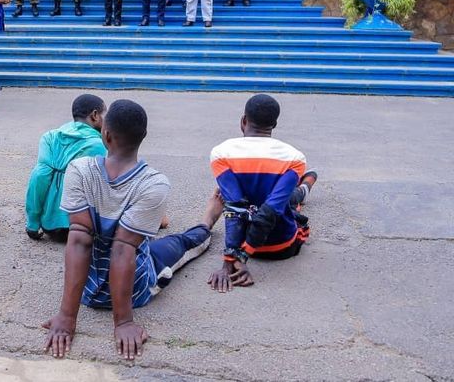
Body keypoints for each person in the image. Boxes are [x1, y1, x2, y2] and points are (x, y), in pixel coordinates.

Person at [42, 99, 223, 361]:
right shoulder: (154, 183)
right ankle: (207, 221)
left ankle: (203, 222)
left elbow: (79, 241)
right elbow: (123, 250)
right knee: (180, 243)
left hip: (85, 293)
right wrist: (124, 322)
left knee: (98, 237)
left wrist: (67, 317)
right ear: (143, 137)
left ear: (105, 134)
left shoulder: (79, 170)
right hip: (137, 289)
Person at [208, 94, 317, 292]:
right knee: (288, 200)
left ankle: (305, 185)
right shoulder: (295, 157)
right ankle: (306, 184)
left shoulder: (221, 154)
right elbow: (270, 211)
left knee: (284, 199)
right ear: (274, 124)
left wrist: (231, 260)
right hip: (282, 247)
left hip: (241, 244)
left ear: (243, 121)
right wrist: (243, 256)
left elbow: (234, 207)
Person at [25, 94, 107, 243]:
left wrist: (32, 223)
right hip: (85, 228)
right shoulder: (99, 144)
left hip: (51, 227)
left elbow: (39, 177)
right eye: (104, 115)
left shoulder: (49, 137)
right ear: (95, 115)